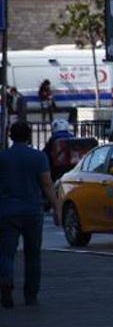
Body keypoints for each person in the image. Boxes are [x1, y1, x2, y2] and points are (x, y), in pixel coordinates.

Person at [0, 122, 60, 308]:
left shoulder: (3, 157)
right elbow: (47, 184)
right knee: (33, 255)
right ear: (28, 137)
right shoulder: (38, 157)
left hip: (7, 211)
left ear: (11, 136)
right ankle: (31, 295)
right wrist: (57, 206)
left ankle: (7, 282)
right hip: (32, 211)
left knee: (6, 253)